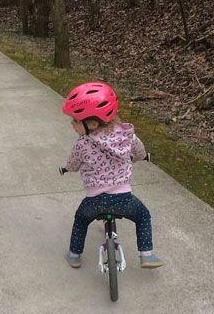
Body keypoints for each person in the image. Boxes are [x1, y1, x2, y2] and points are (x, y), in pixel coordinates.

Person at [60, 82, 164, 269]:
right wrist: (141, 157)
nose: (72, 124)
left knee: (81, 220)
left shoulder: (82, 144)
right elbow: (139, 151)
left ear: (92, 123)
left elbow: (73, 164)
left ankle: (74, 255)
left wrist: (67, 168)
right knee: (143, 216)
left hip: (94, 201)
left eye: (75, 120)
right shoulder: (126, 136)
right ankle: (147, 255)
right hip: (124, 199)